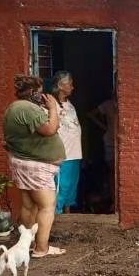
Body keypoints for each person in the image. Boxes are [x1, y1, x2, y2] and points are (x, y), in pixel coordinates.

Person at [3, 75, 67, 257]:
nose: (42, 96)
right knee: (47, 206)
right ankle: (41, 248)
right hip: (36, 167)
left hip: (26, 163)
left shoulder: (16, 107)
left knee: (29, 206)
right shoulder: (27, 108)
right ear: (32, 92)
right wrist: (52, 108)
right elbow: (50, 129)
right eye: (39, 92)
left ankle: (27, 244)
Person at [51, 71, 82, 214]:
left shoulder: (69, 104)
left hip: (75, 153)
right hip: (62, 154)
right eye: (70, 84)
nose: (72, 87)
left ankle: (67, 213)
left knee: (71, 185)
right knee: (61, 185)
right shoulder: (51, 104)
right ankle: (56, 214)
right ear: (60, 85)